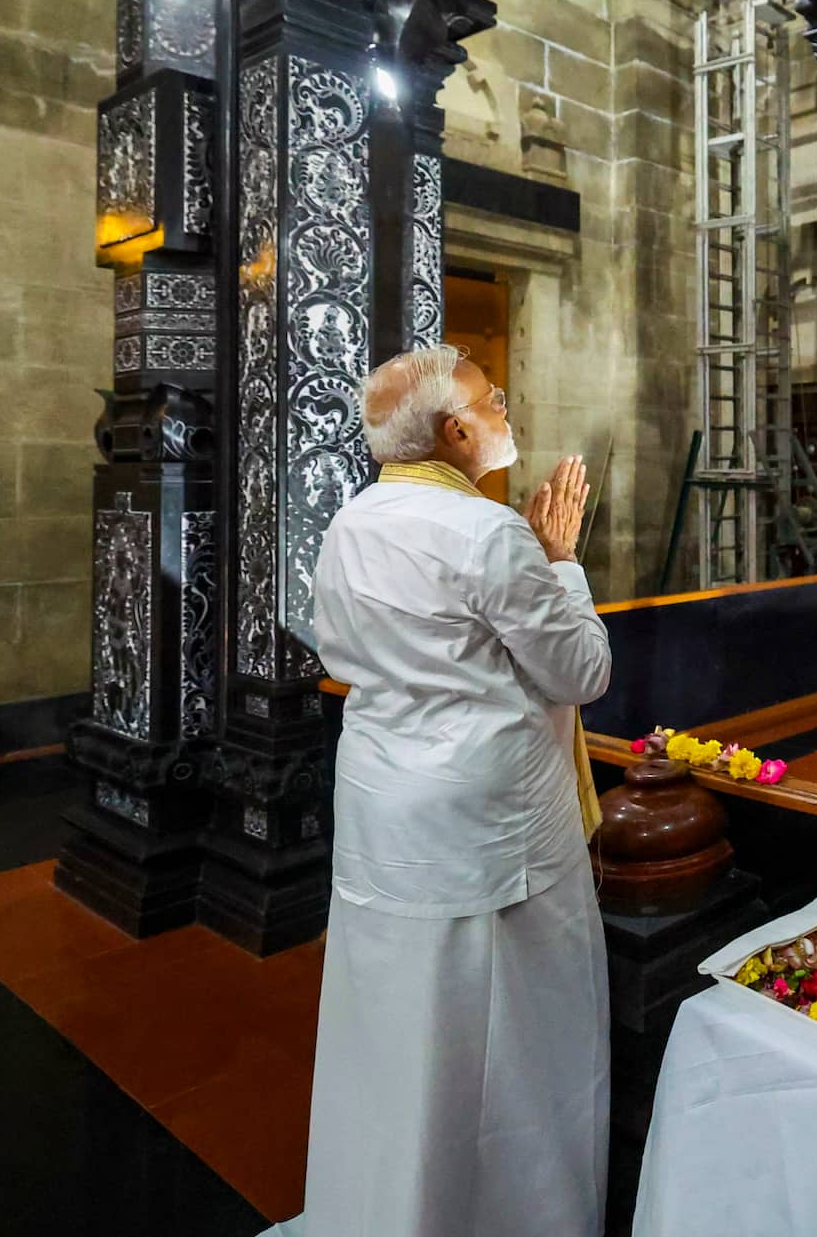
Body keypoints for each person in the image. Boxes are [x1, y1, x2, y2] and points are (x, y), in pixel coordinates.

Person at [266, 345, 612, 1237]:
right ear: (456, 432)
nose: (504, 409)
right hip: (491, 830)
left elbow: (346, 658)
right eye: (493, 401)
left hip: (385, 808)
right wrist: (562, 560)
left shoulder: (350, 524)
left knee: (389, 1035)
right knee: (513, 1048)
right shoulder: (491, 533)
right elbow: (581, 669)